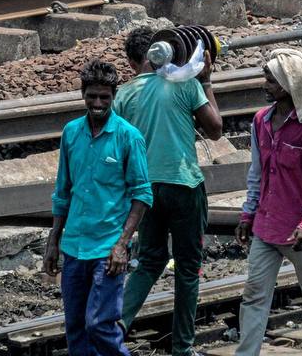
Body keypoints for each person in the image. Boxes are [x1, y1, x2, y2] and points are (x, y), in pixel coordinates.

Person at [116, 27, 223, 356]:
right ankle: (183, 348)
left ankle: (117, 324)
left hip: (144, 191)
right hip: (184, 184)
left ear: (134, 61)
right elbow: (216, 129)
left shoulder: (123, 95)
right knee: (188, 267)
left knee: (150, 261)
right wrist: (205, 80)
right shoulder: (185, 85)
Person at [45, 60, 152, 356]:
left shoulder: (128, 136)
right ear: (82, 94)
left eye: (104, 97)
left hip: (107, 248)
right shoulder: (71, 133)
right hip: (74, 245)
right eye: (91, 96)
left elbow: (142, 194)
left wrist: (122, 244)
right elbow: (62, 190)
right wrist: (54, 240)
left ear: (113, 96)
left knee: (99, 324)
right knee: (76, 327)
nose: (97, 103)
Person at [235, 50, 302, 356]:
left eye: (271, 78)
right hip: (265, 227)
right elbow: (256, 173)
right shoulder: (261, 121)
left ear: (289, 83)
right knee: (254, 296)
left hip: (299, 231)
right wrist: (247, 213)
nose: (265, 84)